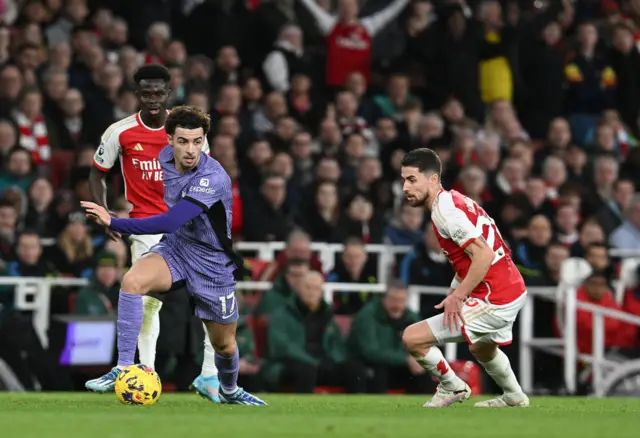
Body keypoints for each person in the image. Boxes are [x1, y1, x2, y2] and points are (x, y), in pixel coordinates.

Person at [83, 106, 264, 405]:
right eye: (183, 141)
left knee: (225, 345)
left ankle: (229, 389)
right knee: (132, 281)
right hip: (178, 249)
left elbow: (169, 221)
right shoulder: (164, 159)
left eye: (196, 141)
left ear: (204, 140)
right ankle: (124, 367)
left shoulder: (212, 177)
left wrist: (113, 221)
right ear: (169, 140)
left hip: (211, 263)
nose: (190, 150)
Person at [87, 64, 220, 401]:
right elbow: (97, 173)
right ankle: (142, 374)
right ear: (137, 94)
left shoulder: (186, 130)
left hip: (187, 227)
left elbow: (205, 175)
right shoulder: (120, 132)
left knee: (212, 300)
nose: (153, 99)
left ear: (168, 92)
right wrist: (106, 213)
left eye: (158, 93)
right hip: (146, 226)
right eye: (146, 93)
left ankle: (210, 376)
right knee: (145, 302)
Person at [400, 148, 529, 408]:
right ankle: (515, 397)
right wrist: (455, 291)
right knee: (482, 348)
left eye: (412, 180)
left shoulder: (444, 212)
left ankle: (451, 385)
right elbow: (475, 256)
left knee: (412, 338)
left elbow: (483, 254)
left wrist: (459, 296)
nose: (405, 187)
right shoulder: (456, 200)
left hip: (495, 296)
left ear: (433, 180)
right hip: (510, 288)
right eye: (403, 179)